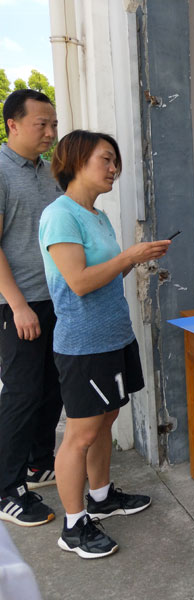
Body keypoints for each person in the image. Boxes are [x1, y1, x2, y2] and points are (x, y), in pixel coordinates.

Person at [39, 130, 171, 558]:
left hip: (113, 335)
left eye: (115, 161)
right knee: (80, 433)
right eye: (107, 159)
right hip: (83, 344)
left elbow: (106, 275)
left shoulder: (96, 215)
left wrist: (138, 259)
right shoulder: (60, 215)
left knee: (107, 419)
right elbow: (77, 283)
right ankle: (74, 525)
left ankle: (101, 496)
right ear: (77, 161)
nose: (114, 169)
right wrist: (129, 257)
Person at [0, 89, 63, 528]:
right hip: (17, 305)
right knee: (22, 395)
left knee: (52, 387)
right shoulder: (2, 172)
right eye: (41, 124)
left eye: (53, 124)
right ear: (13, 125)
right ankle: (7, 488)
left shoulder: (48, 173)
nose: (50, 132)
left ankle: (40, 464)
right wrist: (18, 305)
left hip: (55, 298)